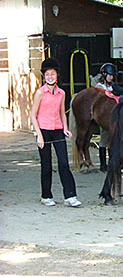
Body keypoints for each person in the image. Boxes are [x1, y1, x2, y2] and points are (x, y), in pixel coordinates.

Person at [30, 57, 81, 207]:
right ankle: (46, 196)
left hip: (57, 130)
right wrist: (39, 135)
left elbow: (62, 113)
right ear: (44, 76)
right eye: (47, 74)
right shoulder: (40, 93)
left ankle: (70, 196)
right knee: (46, 165)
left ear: (57, 75)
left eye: (52, 74)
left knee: (63, 163)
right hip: (43, 130)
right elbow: (33, 114)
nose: (50, 77)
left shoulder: (61, 93)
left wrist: (65, 128)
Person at [96, 63, 117, 172]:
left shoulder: (112, 86)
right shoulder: (100, 87)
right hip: (104, 116)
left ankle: (111, 162)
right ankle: (103, 164)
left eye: (112, 75)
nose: (111, 77)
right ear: (104, 74)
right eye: (109, 75)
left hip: (113, 115)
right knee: (104, 139)